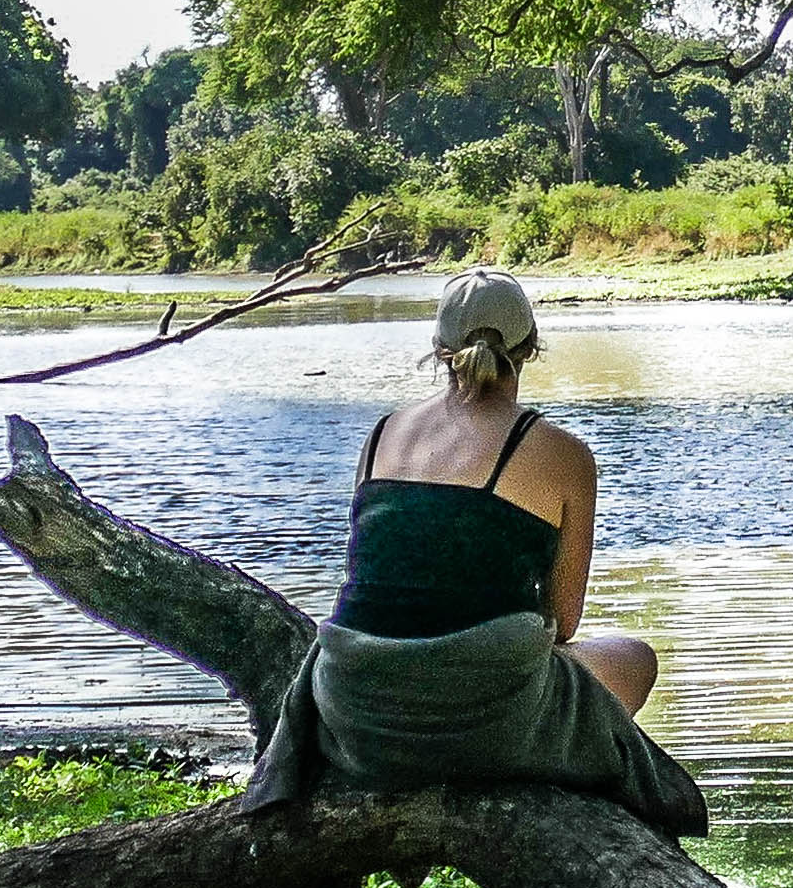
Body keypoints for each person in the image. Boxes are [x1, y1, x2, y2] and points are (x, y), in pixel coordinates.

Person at [243, 269, 702, 834]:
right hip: (480, 721)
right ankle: (536, 775)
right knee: (634, 658)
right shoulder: (564, 454)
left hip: (356, 717)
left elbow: (375, 586)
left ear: (439, 350)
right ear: (530, 348)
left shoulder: (384, 432)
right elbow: (563, 623)